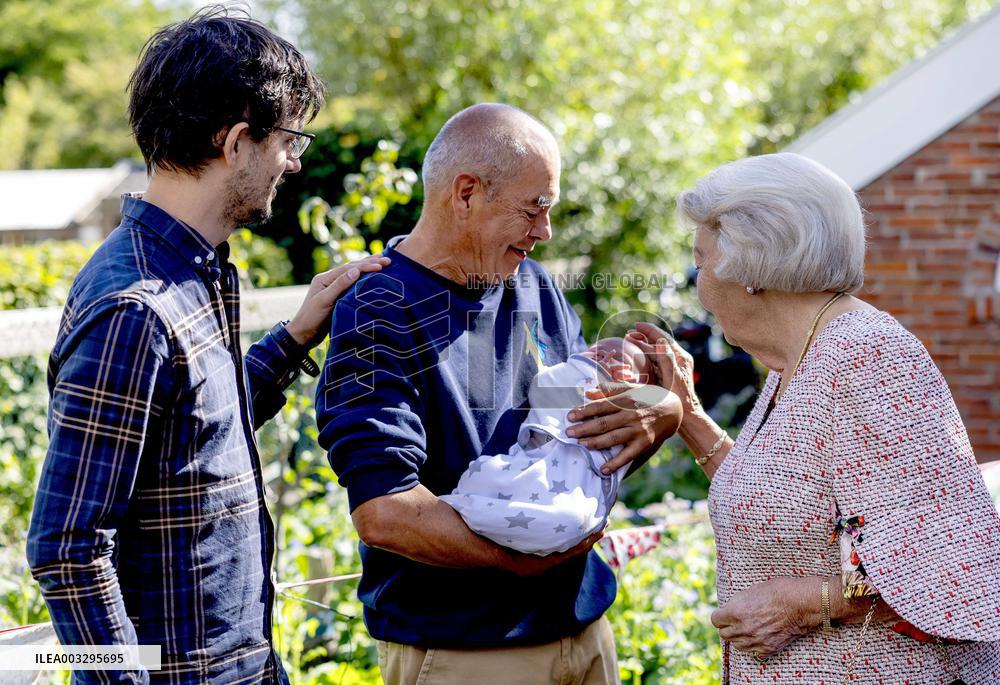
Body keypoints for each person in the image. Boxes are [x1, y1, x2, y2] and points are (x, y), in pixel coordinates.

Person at [25, 8, 388, 684]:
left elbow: (188, 442)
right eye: (288, 138)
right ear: (237, 141)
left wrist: (294, 336)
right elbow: (65, 548)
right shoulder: (136, 308)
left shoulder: (192, 272)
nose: (296, 159)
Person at [315, 103, 682, 685]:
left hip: (585, 631)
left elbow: (579, 442)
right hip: (470, 653)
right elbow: (385, 513)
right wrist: (522, 561)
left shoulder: (534, 284)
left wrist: (658, 415)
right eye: (535, 208)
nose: (546, 231)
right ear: (465, 194)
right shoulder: (377, 309)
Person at [619, 152, 1000, 683]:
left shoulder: (868, 357)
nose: (698, 283)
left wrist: (806, 603)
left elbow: (950, 566)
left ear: (750, 268)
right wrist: (687, 413)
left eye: (701, 261)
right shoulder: (799, 357)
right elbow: (780, 498)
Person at [442, 337, 656, 555]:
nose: (605, 356)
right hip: (532, 464)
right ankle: (465, 508)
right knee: (484, 475)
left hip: (573, 493)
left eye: (620, 359)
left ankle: (486, 517)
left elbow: (640, 434)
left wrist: (652, 401)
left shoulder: (637, 414)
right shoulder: (564, 376)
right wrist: (589, 377)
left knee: (572, 520)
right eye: (598, 351)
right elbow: (547, 383)